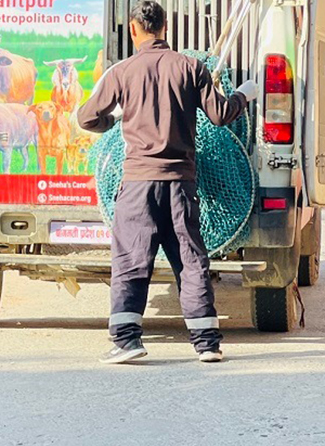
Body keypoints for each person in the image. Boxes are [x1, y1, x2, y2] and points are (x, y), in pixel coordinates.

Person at [78, 0, 258, 364]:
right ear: (165, 28)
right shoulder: (191, 67)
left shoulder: (121, 72)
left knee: (131, 260)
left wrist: (110, 123)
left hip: (137, 186)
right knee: (191, 260)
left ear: (133, 30)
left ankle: (128, 341)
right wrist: (243, 95)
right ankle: (207, 344)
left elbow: (86, 117)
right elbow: (221, 116)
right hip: (180, 184)